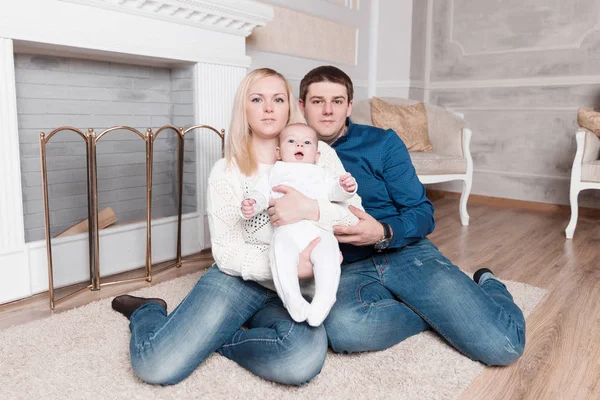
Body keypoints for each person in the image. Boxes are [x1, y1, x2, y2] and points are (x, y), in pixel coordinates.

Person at [111, 68, 358, 386]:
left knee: (300, 360)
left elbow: (354, 218)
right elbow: (226, 252)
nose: (269, 108)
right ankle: (147, 311)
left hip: (296, 291)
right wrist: (285, 267)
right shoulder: (226, 171)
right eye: (258, 99)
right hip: (238, 280)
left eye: (277, 99)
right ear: (245, 108)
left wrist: (310, 209)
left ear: (289, 107)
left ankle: (215, 341)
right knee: (155, 365)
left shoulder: (320, 154)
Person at [267, 65, 526, 366]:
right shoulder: (286, 153)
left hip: (404, 252)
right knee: (343, 330)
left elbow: (423, 212)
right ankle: (431, 312)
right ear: (302, 106)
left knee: (503, 346)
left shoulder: (383, 143)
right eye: (317, 101)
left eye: (337, 101)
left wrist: (384, 232)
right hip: (347, 266)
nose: (327, 111)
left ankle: (489, 284)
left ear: (349, 106)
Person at [241, 123, 358, 326]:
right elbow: (260, 193)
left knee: (329, 258)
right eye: (292, 141)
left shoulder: (321, 173)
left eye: (307, 142)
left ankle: (324, 299)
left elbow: (335, 192)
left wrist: (345, 187)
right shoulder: (274, 172)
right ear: (278, 152)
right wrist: (252, 203)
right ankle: (292, 298)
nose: (299, 145)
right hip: (287, 231)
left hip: (319, 231)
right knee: (280, 256)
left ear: (317, 154)